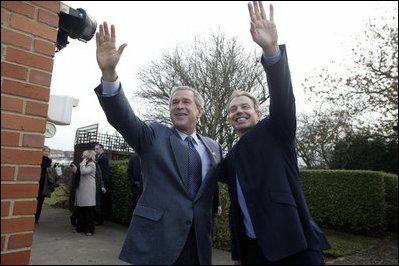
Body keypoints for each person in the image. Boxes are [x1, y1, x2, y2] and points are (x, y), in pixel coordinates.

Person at [94, 21, 223, 265]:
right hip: (158, 242)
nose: (179, 106)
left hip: (199, 243)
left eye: (186, 102)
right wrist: (109, 75)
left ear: (200, 110)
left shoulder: (213, 147)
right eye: (174, 103)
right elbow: (123, 118)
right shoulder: (153, 135)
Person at [218, 1, 330, 265]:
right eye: (233, 109)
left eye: (246, 106)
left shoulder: (276, 130)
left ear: (258, 113)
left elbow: (283, 98)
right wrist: (238, 253)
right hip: (255, 254)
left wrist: (270, 50)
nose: (239, 111)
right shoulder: (230, 158)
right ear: (228, 119)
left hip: (296, 247)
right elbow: (237, 208)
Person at [71, 150, 97, 236]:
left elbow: (84, 172)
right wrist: (74, 167)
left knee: (88, 211)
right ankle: (80, 228)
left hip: (88, 190)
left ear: (88, 156)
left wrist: (82, 164)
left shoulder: (92, 164)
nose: (82, 157)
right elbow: (79, 172)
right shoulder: (84, 164)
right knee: (81, 210)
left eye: (84, 156)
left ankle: (89, 230)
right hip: (82, 190)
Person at [35, 146, 52, 223]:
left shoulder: (49, 161)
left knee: (40, 202)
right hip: (37, 181)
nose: (46, 152)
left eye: (48, 151)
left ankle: (36, 218)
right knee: (34, 201)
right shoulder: (38, 159)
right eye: (45, 151)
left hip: (44, 184)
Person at [94, 143, 109, 225]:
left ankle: (99, 220)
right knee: (99, 201)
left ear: (101, 149)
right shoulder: (99, 157)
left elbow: (103, 172)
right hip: (101, 182)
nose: (95, 150)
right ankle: (98, 219)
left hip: (101, 182)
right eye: (95, 149)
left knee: (100, 202)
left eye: (97, 149)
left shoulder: (102, 158)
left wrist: (103, 184)